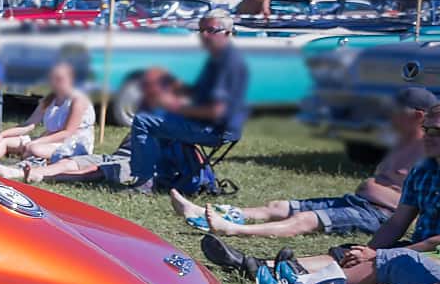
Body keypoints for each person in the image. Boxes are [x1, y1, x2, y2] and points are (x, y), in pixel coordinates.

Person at [201, 102, 440, 284]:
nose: (428, 135)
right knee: (353, 255)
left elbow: (433, 243)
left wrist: (384, 268)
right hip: (415, 250)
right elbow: (398, 223)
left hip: (425, 251)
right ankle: (266, 268)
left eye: (436, 131)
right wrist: (369, 250)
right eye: (427, 129)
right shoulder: (423, 168)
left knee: (392, 264)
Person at [171, 87, 438, 236]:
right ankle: (205, 213)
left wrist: (373, 188)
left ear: (417, 115)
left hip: (377, 215)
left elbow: (408, 207)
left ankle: (233, 229)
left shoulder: (428, 152)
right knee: (278, 205)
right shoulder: (398, 140)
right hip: (357, 202)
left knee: (305, 219)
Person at [124, 8, 247, 194]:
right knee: (156, 115)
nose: (204, 35)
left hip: (217, 129)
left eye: (211, 30)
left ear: (228, 33)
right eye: (201, 30)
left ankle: (144, 182)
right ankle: (167, 177)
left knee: (143, 120)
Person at [0, 61, 95, 180]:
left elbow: (67, 133)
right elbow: (29, 124)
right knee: (4, 142)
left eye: (60, 79)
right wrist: (2, 134)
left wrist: (37, 142)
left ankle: (13, 169)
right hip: (50, 139)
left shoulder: (78, 99)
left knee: (34, 148)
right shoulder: (50, 98)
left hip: (72, 144)